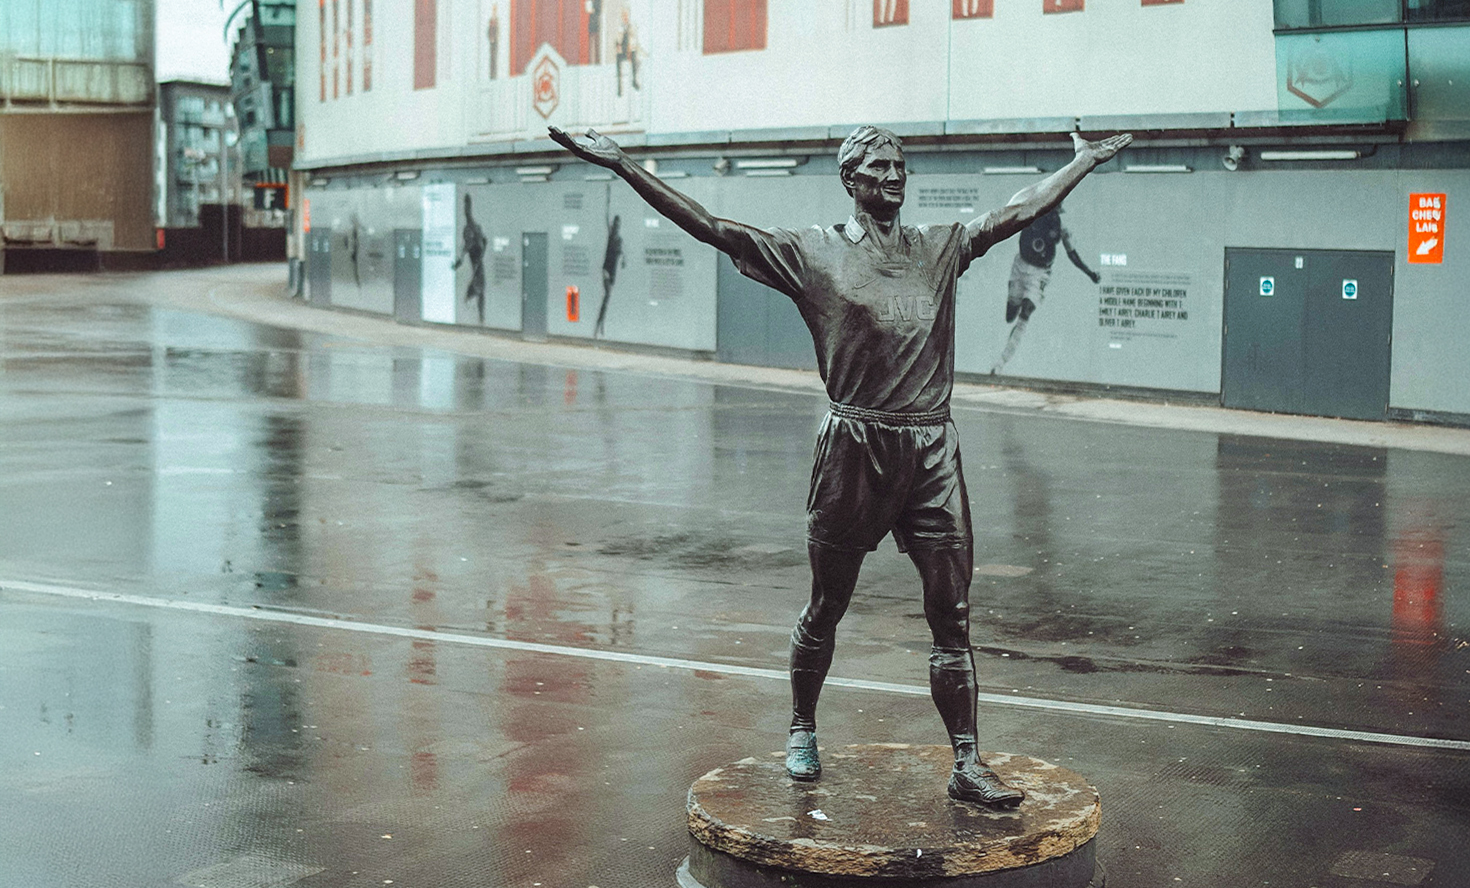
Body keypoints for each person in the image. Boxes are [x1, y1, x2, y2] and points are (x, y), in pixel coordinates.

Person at [549, 122, 1131, 808]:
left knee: (953, 613)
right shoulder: (813, 254)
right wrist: (622, 165)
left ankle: (968, 762)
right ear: (851, 180)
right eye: (879, 166)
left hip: (932, 448)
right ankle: (801, 726)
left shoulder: (939, 247)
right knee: (828, 604)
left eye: (900, 164)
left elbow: (1018, 210)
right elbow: (711, 227)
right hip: (856, 449)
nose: (894, 175)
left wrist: (1082, 163)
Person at [991, 207, 1099, 375]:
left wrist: (1089, 272)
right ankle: (1013, 303)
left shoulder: (1062, 226)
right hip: (1020, 266)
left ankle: (1001, 362)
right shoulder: (1030, 213)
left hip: (1039, 273)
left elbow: (1072, 253)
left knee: (1025, 312)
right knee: (1010, 314)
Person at [454, 193, 488, 325]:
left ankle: (481, 317)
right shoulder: (469, 229)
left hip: (477, 263)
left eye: (466, 205)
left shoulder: (473, 229)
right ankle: (480, 317)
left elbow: (481, 242)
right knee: (479, 290)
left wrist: (461, 260)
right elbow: (470, 245)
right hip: (475, 262)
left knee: (479, 290)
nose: (465, 209)